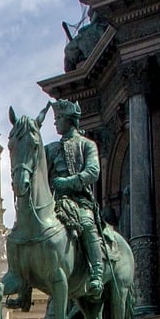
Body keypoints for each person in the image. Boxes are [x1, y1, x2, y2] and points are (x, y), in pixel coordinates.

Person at [44, 99, 106, 298]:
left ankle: (96, 272)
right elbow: (41, 174)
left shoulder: (87, 145)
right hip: (55, 202)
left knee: (87, 224)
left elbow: (93, 171)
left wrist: (69, 182)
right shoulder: (51, 149)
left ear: (69, 120)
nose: (55, 123)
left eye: (59, 118)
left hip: (79, 200)